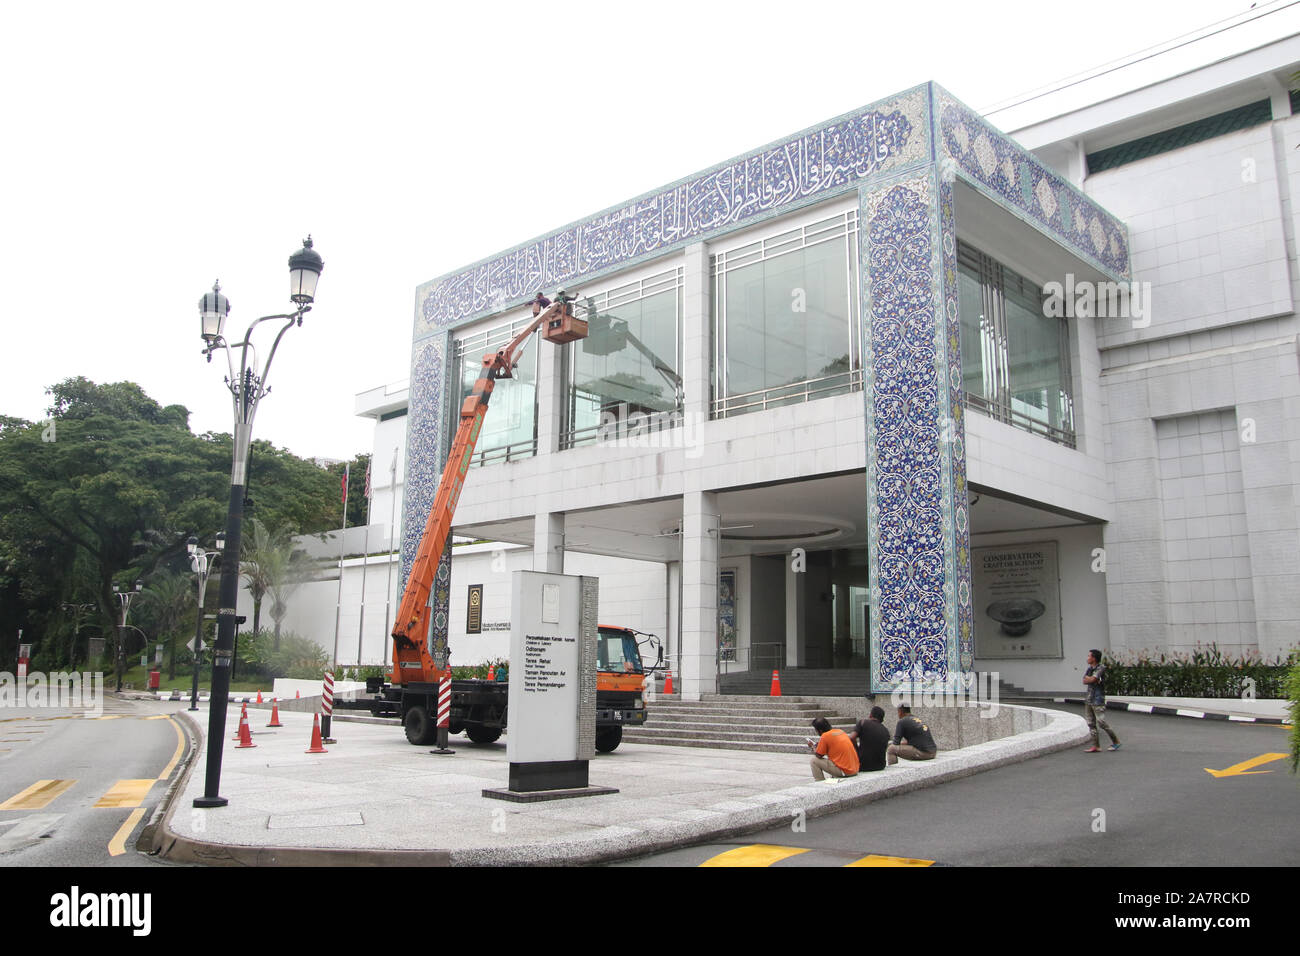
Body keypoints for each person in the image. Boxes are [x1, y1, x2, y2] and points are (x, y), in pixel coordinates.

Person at [1082, 648, 1120, 752]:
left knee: (1101, 722)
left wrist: (1091, 679)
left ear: (1094, 658)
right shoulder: (1090, 669)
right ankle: (1096, 746)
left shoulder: (1101, 668)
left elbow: (1093, 679)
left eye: (1089, 656)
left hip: (1098, 699)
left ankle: (1116, 741)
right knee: (1091, 723)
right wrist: (1091, 679)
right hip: (1089, 698)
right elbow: (1084, 680)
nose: (1088, 658)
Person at [806, 716, 859, 781]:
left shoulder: (825, 736)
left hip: (845, 772)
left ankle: (819, 782)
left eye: (816, 730)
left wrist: (812, 747)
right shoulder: (840, 731)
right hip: (854, 769)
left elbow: (818, 755)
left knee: (814, 761)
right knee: (834, 759)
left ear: (820, 730)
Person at [850, 705, 891, 772]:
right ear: (882, 720)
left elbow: (851, 738)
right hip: (880, 766)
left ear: (870, 715)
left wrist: (857, 750)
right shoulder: (886, 730)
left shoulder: (863, 722)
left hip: (863, 765)